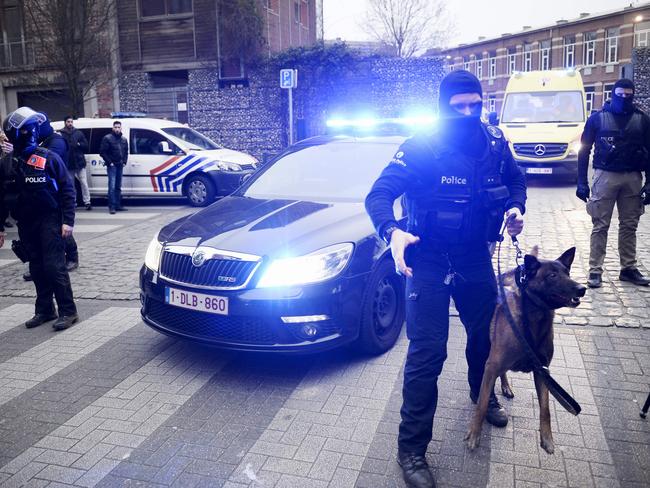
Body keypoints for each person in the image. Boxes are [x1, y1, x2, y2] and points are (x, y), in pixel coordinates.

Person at [365, 70, 527, 488]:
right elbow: (378, 194)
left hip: (476, 257)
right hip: (429, 260)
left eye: (475, 105)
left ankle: (482, 394)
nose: (468, 112)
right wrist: (391, 231)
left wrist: (515, 208)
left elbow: (516, 180)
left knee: (483, 338)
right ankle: (412, 450)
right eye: (459, 107)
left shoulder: (493, 142)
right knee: (427, 353)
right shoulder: (422, 146)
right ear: (443, 107)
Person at [0, 107, 78, 330]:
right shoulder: (6, 163)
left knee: (54, 266)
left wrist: (68, 222)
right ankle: (45, 310)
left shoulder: (48, 157)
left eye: (32, 129)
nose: (30, 133)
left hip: (50, 218)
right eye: (25, 130)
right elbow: (1, 196)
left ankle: (68, 311)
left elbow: (67, 190)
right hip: (25, 222)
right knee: (36, 266)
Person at [576, 78, 650, 288]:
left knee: (630, 225)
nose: (624, 98)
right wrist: (581, 181)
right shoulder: (597, 119)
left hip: (633, 177)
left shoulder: (642, 120)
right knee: (600, 224)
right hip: (605, 176)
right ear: (613, 93)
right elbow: (584, 150)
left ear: (633, 94)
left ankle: (628, 268)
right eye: (620, 94)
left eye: (629, 94)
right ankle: (595, 271)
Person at [61, 116, 91, 211]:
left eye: (71, 121)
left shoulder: (78, 133)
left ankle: (87, 202)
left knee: (84, 183)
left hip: (79, 162)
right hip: (69, 163)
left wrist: (79, 144)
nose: (70, 123)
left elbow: (86, 146)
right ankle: (73, 203)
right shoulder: (61, 134)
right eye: (68, 122)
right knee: (71, 185)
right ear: (65, 122)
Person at [99, 120, 128, 214]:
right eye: (115, 127)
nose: (117, 129)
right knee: (111, 187)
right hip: (112, 165)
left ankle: (118, 205)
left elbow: (125, 152)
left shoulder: (123, 139)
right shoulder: (107, 138)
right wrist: (110, 162)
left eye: (119, 127)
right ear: (112, 128)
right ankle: (112, 206)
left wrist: (124, 161)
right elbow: (102, 152)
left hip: (120, 165)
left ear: (121, 128)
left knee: (118, 186)